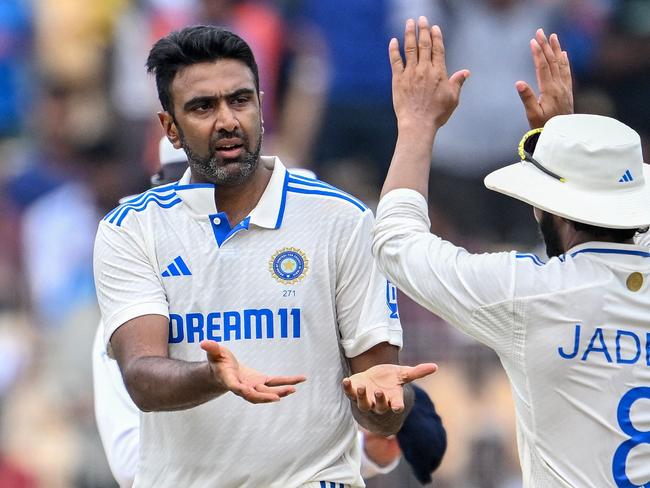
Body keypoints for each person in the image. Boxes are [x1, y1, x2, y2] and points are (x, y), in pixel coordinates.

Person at [93, 26, 436, 488]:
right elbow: (141, 379)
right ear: (170, 129)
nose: (227, 120)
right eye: (202, 107)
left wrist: (390, 405)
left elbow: (375, 394)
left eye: (240, 100)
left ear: (260, 105)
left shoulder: (343, 220)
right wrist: (211, 378)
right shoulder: (131, 228)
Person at [372, 16, 650, 487]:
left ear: (548, 210)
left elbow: (396, 242)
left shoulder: (528, 293)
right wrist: (565, 141)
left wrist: (417, 123)